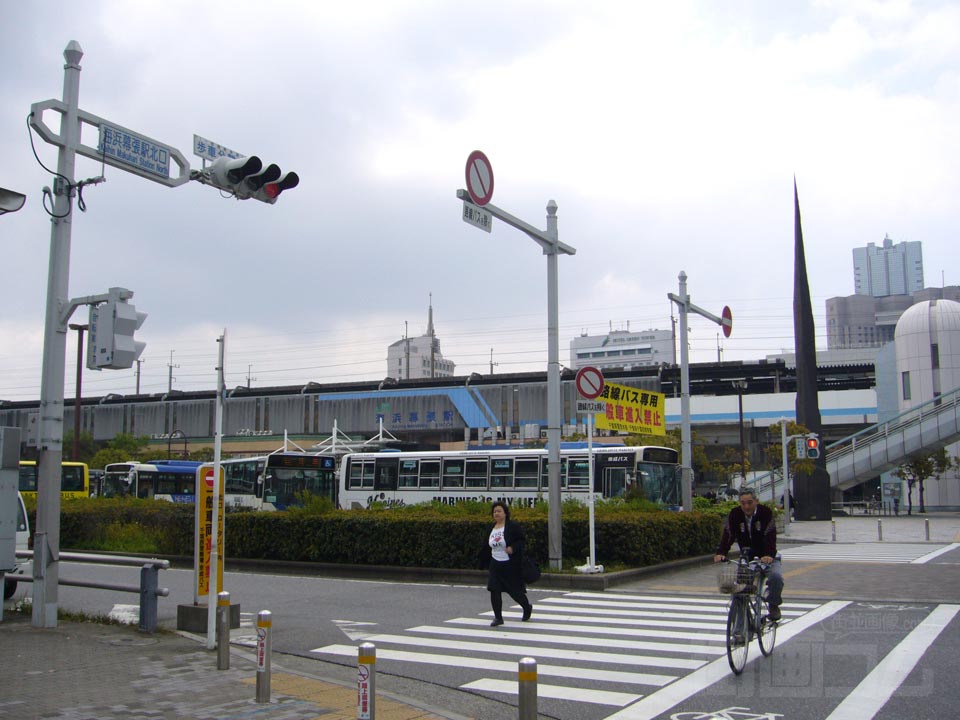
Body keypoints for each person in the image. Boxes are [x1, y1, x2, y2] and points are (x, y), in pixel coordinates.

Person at [714, 488, 784, 621]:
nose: (746, 506)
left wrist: (769, 554)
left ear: (756, 501)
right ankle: (739, 631)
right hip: (747, 558)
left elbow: (770, 535)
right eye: (743, 503)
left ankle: (773, 604)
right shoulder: (735, 514)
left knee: (776, 578)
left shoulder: (765, 513)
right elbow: (728, 534)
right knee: (739, 592)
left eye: (750, 502)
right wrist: (721, 552)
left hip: (768, 556)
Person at [479, 500, 533, 627]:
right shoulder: (491, 528)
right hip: (495, 564)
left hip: (509, 564)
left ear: (505, 513)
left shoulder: (512, 526)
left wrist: (512, 548)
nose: (496, 514)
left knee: (514, 591)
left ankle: (526, 607)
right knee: (494, 589)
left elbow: (521, 540)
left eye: (499, 511)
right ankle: (498, 617)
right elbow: (486, 546)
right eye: (494, 512)